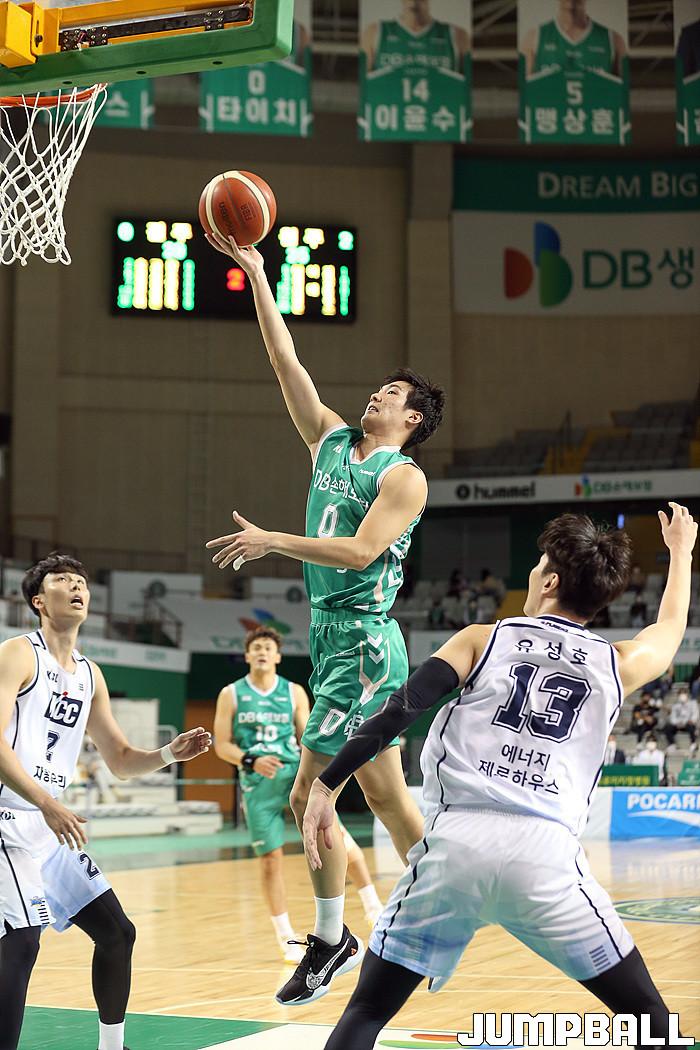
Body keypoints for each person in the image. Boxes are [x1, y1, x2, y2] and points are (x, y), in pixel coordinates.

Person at [302, 504, 696, 1050]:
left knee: (367, 1012)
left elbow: (400, 709)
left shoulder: (482, 639)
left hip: (455, 846)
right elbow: (670, 629)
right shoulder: (617, 662)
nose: (533, 574)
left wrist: (326, 785)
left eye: (538, 567)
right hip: (547, 857)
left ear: (550, 582)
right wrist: (681, 553)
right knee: (650, 1016)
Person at [204, 227, 446, 1007]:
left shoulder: (404, 478)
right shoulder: (333, 440)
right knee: (387, 798)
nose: (378, 395)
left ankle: (331, 939)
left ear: (413, 419)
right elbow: (287, 362)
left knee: (311, 790)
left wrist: (273, 538)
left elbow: (362, 551)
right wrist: (256, 273)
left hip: (365, 646)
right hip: (335, 638)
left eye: (393, 395)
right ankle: (439, 917)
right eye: (378, 389)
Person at [0, 553, 211, 1050]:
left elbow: (119, 758)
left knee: (117, 932)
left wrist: (168, 753)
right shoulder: (17, 654)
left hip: (49, 827)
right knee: (21, 942)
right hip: (7, 821)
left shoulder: (90, 675)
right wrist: (46, 802)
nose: (76, 587)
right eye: (62, 580)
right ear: (39, 600)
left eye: (82, 581)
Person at [212, 626, 383, 963]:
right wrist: (250, 759)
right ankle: (285, 936)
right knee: (270, 860)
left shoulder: (293, 692)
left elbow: (307, 735)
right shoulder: (230, 694)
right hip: (257, 784)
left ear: (277, 656)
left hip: (294, 776)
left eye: (268, 647)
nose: (262, 652)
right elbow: (222, 745)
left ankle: (373, 906)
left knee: (335, 837)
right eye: (256, 647)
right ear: (247, 656)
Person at [521, 0, 627, 79]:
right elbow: (524, 92)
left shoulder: (614, 40)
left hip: (596, 103)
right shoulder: (534, 38)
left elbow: (623, 93)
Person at [361, 0, 470, 76]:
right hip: (389, 102)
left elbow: (468, 88)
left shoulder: (457, 35)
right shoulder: (374, 32)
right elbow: (364, 87)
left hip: (440, 103)